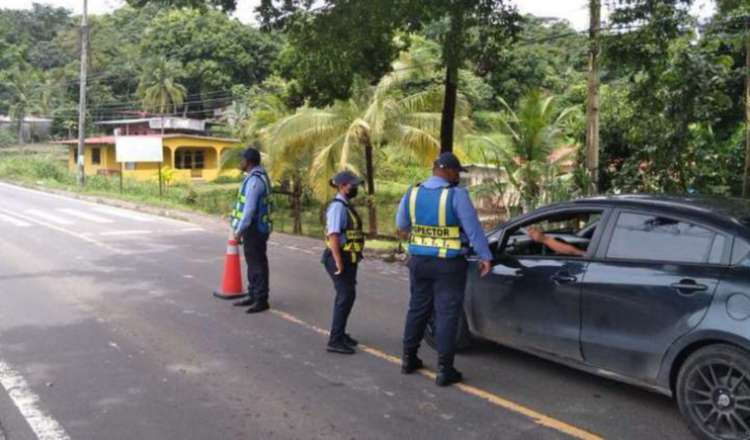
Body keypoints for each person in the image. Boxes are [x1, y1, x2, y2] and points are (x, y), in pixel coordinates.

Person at [396, 152, 493, 386]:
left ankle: (408, 358)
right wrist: (485, 256)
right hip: (448, 265)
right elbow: (473, 230)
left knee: (417, 308)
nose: (457, 177)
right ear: (448, 171)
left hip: (419, 262)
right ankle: (444, 369)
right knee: (447, 313)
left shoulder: (413, 192)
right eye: (456, 172)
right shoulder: (456, 195)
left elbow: (401, 225)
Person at [322, 171, 365, 355]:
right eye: (351, 185)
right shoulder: (338, 207)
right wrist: (339, 262)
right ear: (341, 186)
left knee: (348, 295)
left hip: (349, 258)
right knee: (345, 296)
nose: (354, 188)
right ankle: (335, 339)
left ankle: (340, 334)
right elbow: (333, 236)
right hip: (338, 258)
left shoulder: (345, 205)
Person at [231, 147, 273, 314]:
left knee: (257, 264)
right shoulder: (258, 176)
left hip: (254, 229)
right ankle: (253, 294)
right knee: (253, 263)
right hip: (256, 228)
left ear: (248, 162)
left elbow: (248, 211)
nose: (240, 162)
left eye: (242, 160)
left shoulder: (255, 181)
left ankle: (261, 299)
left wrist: (239, 231)